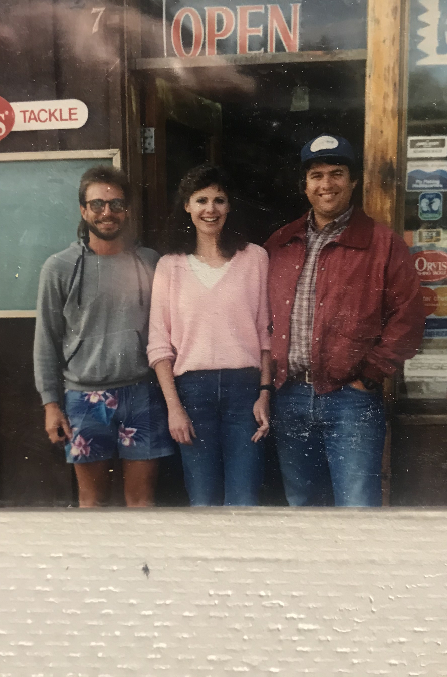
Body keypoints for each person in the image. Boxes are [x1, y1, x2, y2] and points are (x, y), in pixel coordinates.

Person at [265, 134, 425, 507]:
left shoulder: (383, 244)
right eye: (316, 175)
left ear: (353, 181)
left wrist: (370, 374)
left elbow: (409, 316)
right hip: (289, 396)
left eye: (337, 173)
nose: (326, 185)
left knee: (357, 509)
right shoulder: (280, 242)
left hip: (350, 400)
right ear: (304, 185)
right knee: (302, 506)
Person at [34, 166, 174, 507]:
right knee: (91, 504)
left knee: (142, 503)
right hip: (85, 398)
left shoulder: (150, 262)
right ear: (83, 210)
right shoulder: (59, 267)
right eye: (97, 204)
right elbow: (46, 341)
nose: (107, 212)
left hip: (141, 394)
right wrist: (51, 405)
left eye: (116, 204)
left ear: (127, 210)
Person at [147, 164, 272, 507]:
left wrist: (264, 392)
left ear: (230, 207)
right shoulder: (169, 265)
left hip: (244, 391)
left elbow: (266, 335)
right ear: (187, 206)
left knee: (244, 500)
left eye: (219, 200)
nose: (210, 209)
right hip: (192, 393)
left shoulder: (255, 258)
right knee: (202, 501)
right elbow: (159, 345)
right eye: (201, 200)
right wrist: (174, 408)